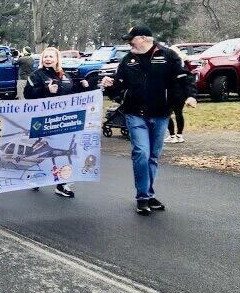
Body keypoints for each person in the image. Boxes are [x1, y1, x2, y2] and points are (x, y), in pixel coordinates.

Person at [102, 26, 196, 215]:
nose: (129, 43)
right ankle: (142, 197)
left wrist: (191, 95)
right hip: (135, 113)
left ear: (144, 38)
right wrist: (109, 85)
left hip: (161, 114)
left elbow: (185, 77)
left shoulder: (168, 55)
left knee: (153, 156)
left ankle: (149, 194)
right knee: (141, 153)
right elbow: (119, 85)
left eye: (132, 39)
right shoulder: (128, 60)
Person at [23, 46, 90, 198]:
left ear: (57, 59)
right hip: (42, 120)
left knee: (64, 151)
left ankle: (62, 185)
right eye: (45, 57)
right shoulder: (36, 75)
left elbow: (71, 92)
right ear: (42, 59)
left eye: (51, 57)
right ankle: (36, 177)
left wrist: (83, 87)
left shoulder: (64, 75)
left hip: (64, 120)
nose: (48, 59)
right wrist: (46, 91)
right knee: (40, 151)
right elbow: (27, 94)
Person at [166, 47, 194, 144]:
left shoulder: (170, 65)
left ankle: (172, 135)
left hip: (171, 93)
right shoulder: (183, 66)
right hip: (181, 94)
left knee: (167, 114)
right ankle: (179, 135)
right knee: (179, 114)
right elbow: (188, 81)